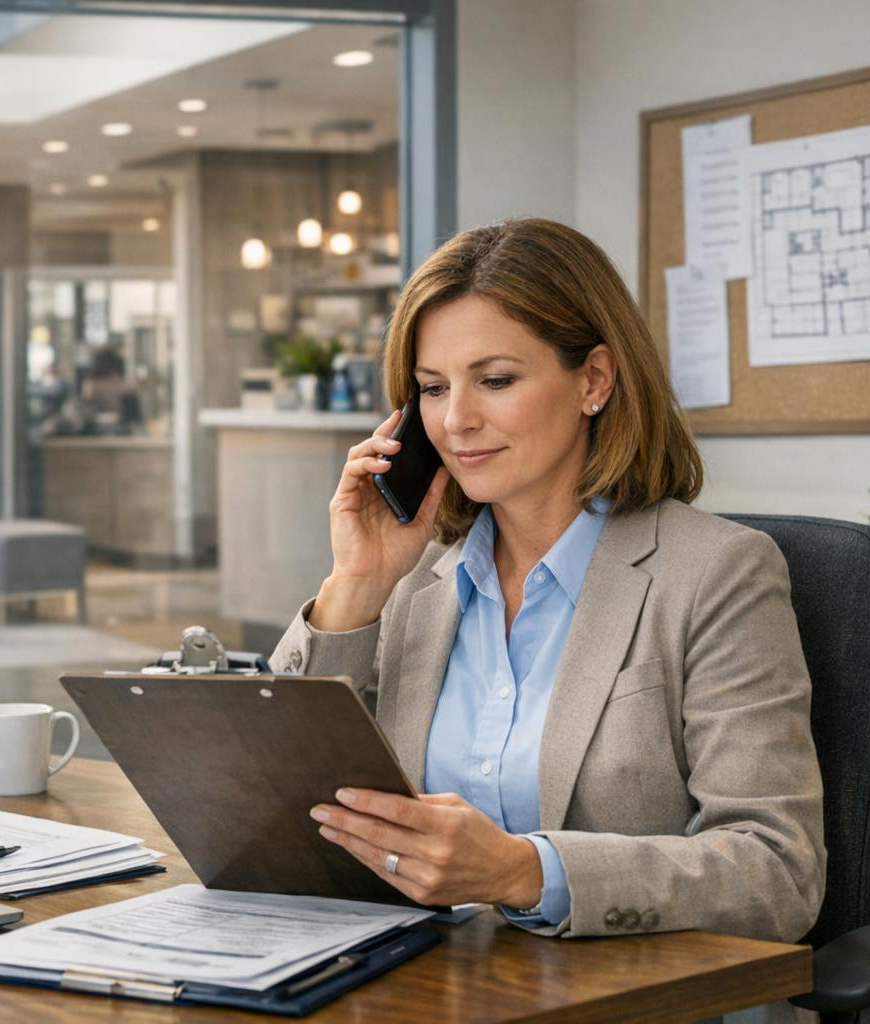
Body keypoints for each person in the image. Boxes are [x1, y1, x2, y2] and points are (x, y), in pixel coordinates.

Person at [272, 218, 824, 943]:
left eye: (495, 380)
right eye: (433, 389)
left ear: (594, 379)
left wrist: (520, 871)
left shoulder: (715, 574)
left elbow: (778, 872)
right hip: (419, 983)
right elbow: (276, 803)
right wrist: (357, 581)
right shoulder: (413, 583)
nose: (457, 420)